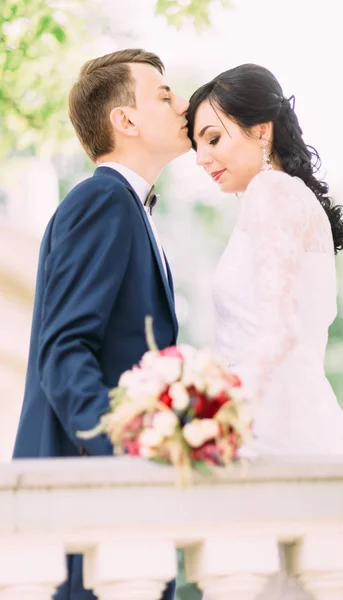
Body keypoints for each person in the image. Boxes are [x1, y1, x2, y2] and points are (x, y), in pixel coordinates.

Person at [12, 48, 190, 600]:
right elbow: (64, 350)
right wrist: (122, 456)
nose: (183, 105)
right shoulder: (103, 201)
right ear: (126, 119)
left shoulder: (127, 206)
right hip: (89, 500)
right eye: (164, 95)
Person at [187, 63, 343, 457]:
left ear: (261, 130)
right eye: (197, 146)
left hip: (271, 432)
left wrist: (220, 415)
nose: (201, 158)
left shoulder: (272, 191)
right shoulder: (286, 195)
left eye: (212, 139)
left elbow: (280, 327)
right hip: (299, 417)